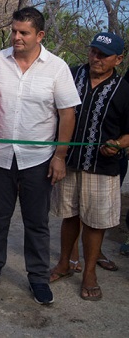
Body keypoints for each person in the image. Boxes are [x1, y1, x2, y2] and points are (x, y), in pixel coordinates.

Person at [0, 7, 81, 305]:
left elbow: (67, 113)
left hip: (38, 160)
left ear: (40, 35)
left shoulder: (57, 68)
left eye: (24, 32)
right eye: (14, 31)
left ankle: (37, 278)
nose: (16, 37)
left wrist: (60, 156)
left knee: (36, 222)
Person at [48, 32, 129, 301]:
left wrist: (118, 143)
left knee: (95, 222)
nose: (96, 58)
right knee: (69, 215)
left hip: (102, 165)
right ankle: (64, 263)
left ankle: (89, 273)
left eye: (103, 55)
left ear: (118, 59)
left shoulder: (124, 89)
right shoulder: (70, 75)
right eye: (93, 51)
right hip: (68, 161)